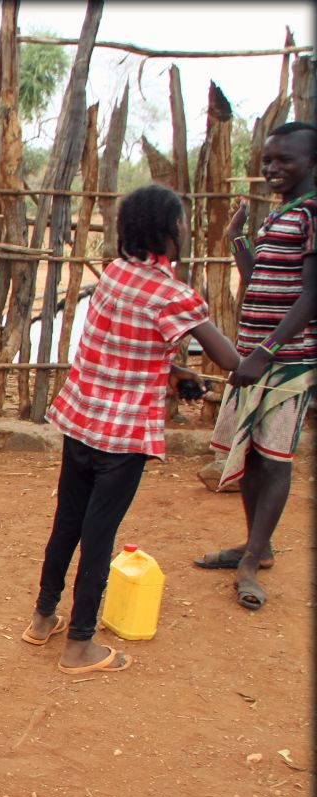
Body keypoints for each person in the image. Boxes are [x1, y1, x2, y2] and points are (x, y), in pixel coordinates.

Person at [22, 184, 242, 675]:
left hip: (81, 420)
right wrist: (271, 351)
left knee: (68, 524)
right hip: (123, 438)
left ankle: (42, 618)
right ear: (167, 232)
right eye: (181, 223)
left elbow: (118, 348)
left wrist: (175, 373)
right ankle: (79, 645)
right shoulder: (174, 295)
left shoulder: (115, 275)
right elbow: (234, 364)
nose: (185, 230)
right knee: (101, 536)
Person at [196, 121, 317, 610]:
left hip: (287, 361)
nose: (273, 168)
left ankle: (250, 562)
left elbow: (311, 295)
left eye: (285, 159)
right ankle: (255, 546)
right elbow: (258, 278)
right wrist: (238, 239)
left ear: (311, 162)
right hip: (254, 355)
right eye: (268, 160)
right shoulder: (279, 215)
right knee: (246, 452)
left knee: (274, 457)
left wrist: (266, 351)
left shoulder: (312, 212)